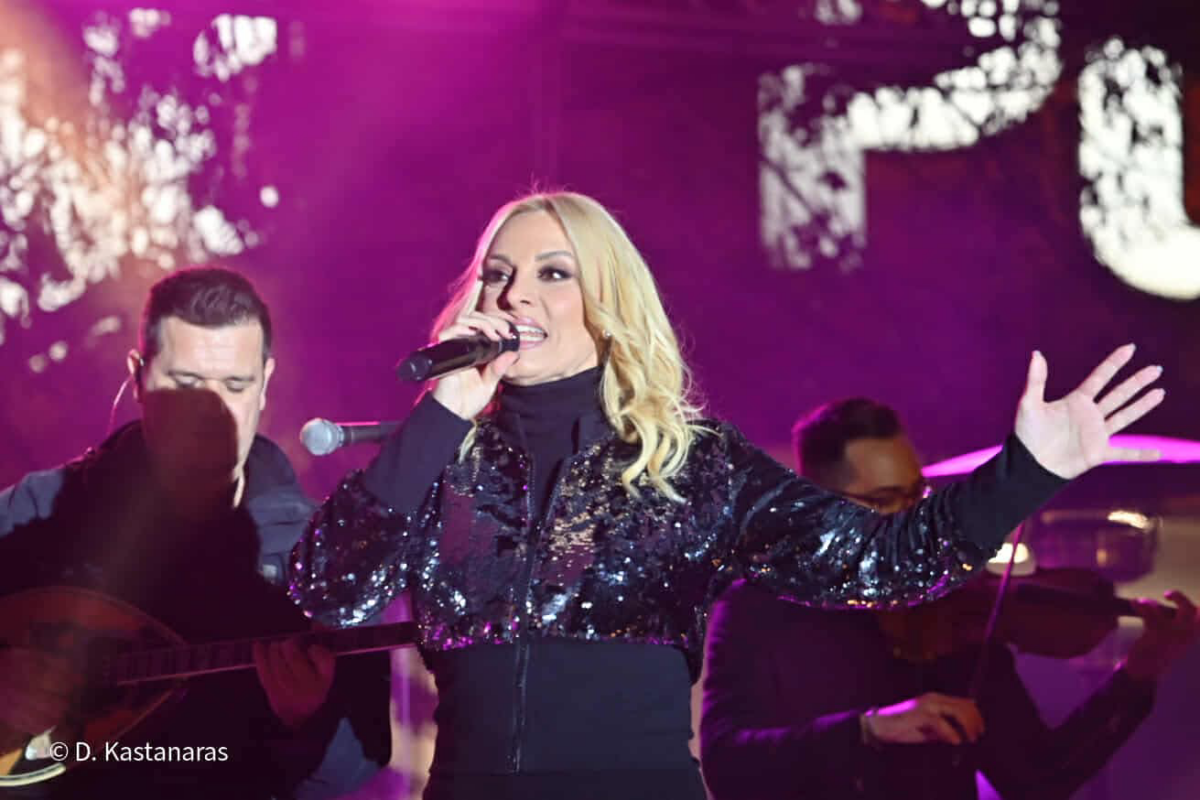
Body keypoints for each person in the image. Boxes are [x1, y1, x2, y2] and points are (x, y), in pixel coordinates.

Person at [287, 190, 1165, 800]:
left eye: (555, 272)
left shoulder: (690, 464)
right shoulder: (442, 458)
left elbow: (887, 562)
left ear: (606, 300)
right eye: (498, 272)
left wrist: (1030, 468)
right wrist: (439, 417)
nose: (517, 292)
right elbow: (325, 596)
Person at [0, 267, 390, 799]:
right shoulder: (41, 512)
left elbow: (356, 768)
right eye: (185, 384)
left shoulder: (320, 552)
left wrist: (309, 721)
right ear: (138, 376)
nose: (210, 412)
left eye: (235, 385)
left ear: (265, 383)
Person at [700, 397, 1200, 800]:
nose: (909, 518)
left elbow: (1039, 780)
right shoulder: (758, 607)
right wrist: (869, 730)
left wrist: (1139, 674)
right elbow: (729, 766)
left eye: (916, 495)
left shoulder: (947, 616)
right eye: (883, 500)